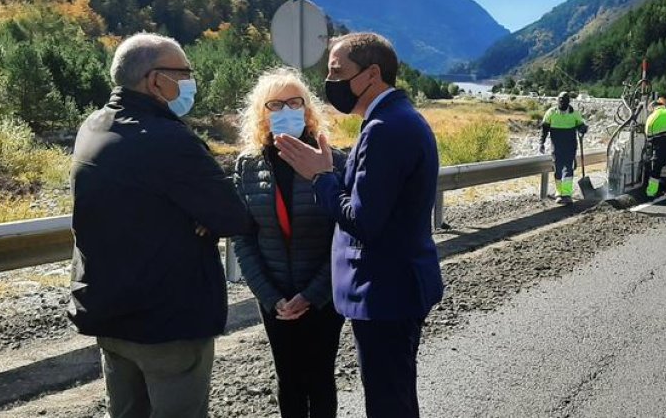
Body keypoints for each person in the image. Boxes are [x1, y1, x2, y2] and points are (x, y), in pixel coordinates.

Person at [69, 33, 253, 418]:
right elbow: (233, 216)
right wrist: (200, 215)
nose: (190, 82)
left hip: (109, 312)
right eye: (185, 74)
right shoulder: (169, 140)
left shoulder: (93, 127)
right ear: (156, 81)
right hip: (166, 321)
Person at [275, 32, 444, 418]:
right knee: (393, 394)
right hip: (394, 286)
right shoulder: (394, 119)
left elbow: (363, 220)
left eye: (338, 71)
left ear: (371, 74)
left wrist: (321, 178)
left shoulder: (385, 128)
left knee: (388, 402)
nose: (330, 81)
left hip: (385, 291)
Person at [231, 68, 348, 418]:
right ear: (261, 113)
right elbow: (244, 239)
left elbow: (344, 236)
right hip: (275, 298)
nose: (286, 111)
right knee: (288, 379)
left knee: (321, 379)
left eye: (294, 102)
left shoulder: (333, 161)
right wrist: (271, 298)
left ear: (307, 108)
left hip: (323, 299)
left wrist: (312, 295)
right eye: (275, 104)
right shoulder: (248, 165)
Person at [539, 91, 588, 202]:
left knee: (568, 170)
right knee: (558, 170)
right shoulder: (551, 113)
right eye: (560, 101)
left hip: (570, 147)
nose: (562, 103)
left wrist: (583, 128)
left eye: (564, 101)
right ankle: (559, 193)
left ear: (568, 102)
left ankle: (566, 194)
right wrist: (541, 143)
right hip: (556, 147)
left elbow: (581, 125)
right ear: (558, 101)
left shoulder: (574, 113)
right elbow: (544, 129)